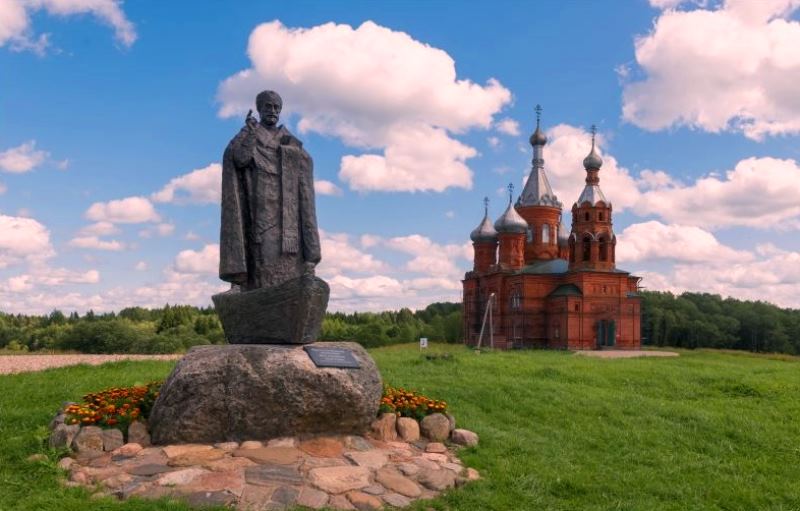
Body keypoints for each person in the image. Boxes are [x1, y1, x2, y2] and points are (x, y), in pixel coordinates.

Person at [219, 90, 321, 291]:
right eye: (268, 106)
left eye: (276, 107)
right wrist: (249, 134)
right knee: (264, 262)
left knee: (289, 264)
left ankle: (288, 297)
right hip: (261, 212)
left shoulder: (290, 141)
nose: (273, 111)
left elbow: (306, 164)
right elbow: (239, 158)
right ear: (259, 109)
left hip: (289, 217)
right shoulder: (250, 134)